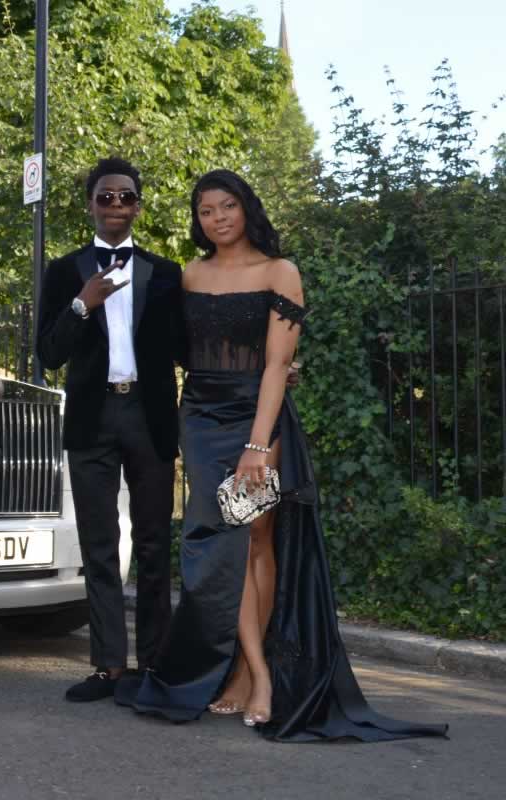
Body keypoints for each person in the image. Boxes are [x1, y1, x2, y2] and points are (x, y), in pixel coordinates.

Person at [114, 169, 448, 742]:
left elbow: (275, 365)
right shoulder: (191, 275)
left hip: (257, 420)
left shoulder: (280, 272)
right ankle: (255, 672)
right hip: (200, 419)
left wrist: (256, 445)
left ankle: (251, 673)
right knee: (224, 548)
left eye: (227, 207)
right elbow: (176, 352)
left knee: (257, 540)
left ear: (247, 208)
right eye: (205, 211)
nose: (217, 219)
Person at [36, 157, 184, 701]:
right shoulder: (63, 271)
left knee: (151, 543)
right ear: (91, 205)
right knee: (100, 545)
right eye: (106, 196)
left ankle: (153, 664)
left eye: (125, 196)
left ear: (139, 206)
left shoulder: (165, 273)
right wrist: (81, 305)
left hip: (148, 415)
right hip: (92, 421)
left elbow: (190, 347)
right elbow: (48, 354)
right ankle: (107, 667)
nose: (116, 204)